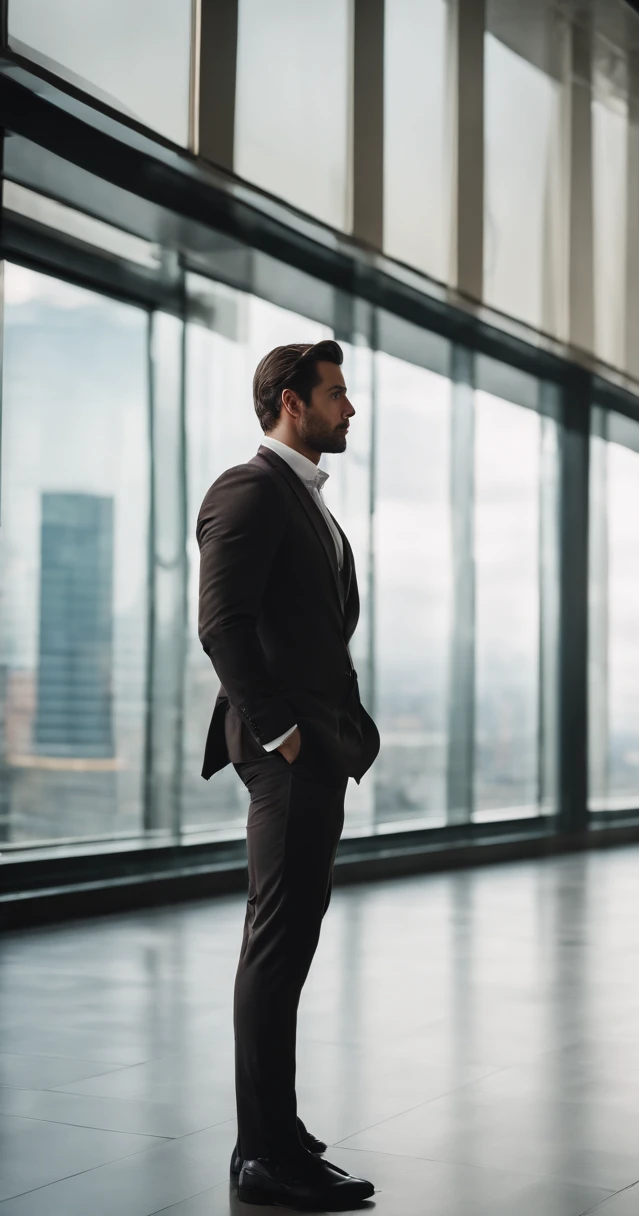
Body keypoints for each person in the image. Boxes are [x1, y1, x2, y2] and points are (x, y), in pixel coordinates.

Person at [196, 340, 380, 1208]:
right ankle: (265, 1155)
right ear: (290, 402)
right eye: (336, 393)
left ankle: (276, 1132)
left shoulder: (305, 500)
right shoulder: (250, 489)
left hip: (318, 751)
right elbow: (222, 625)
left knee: (290, 942)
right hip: (287, 757)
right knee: (276, 949)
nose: (350, 408)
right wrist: (280, 735)